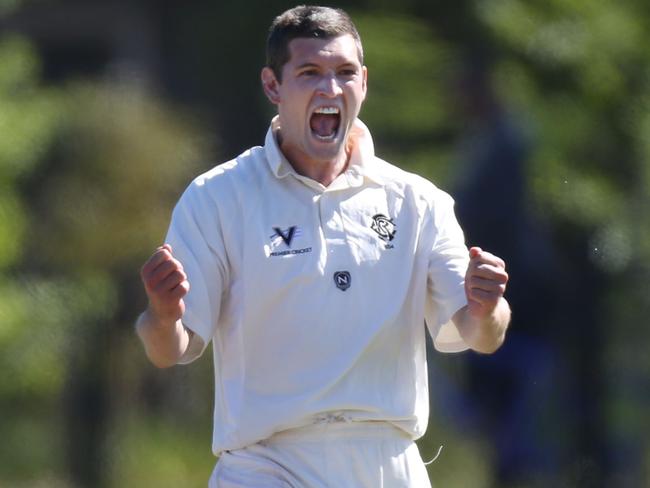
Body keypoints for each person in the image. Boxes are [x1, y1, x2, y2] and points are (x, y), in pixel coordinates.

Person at [136, 6, 510, 487]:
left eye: (344, 73)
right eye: (310, 72)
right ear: (273, 86)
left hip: (388, 463)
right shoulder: (218, 198)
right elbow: (169, 348)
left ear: (364, 83)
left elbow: (481, 334)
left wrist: (487, 308)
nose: (330, 89)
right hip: (265, 463)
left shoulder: (417, 202)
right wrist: (163, 315)